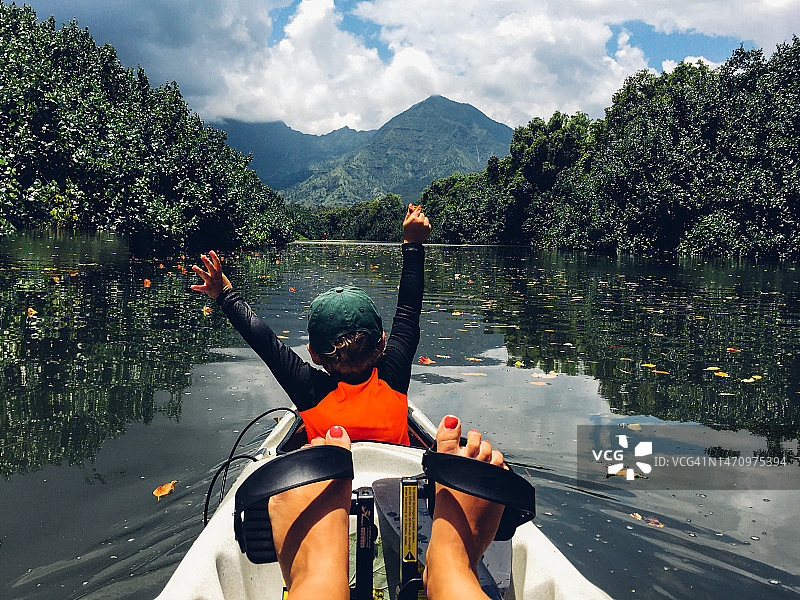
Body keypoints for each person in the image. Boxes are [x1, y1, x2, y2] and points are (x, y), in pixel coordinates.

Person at [191, 204, 431, 444]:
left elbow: (264, 342)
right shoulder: (393, 376)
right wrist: (413, 244)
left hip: (328, 472)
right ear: (381, 343)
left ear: (313, 354)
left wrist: (225, 293)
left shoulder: (308, 389)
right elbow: (408, 310)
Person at [269, 415, 505, 600]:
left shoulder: (309, 388)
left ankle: (316, 576)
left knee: (315, 583)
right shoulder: (392, 377)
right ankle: (451, 567)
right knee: (455, 576)